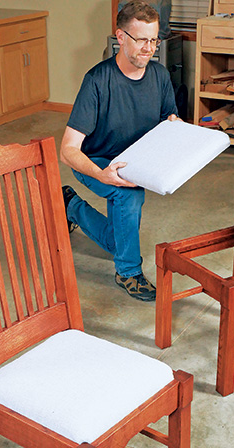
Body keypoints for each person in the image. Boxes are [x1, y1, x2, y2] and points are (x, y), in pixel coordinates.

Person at [60, 0, 179, 302]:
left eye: (153, 40)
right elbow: (68, 150)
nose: (148, 48)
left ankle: (71, 205)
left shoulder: (160, 76)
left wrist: (176, 127)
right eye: (140, 39)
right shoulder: (97, 81)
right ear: (121, 37)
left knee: (119, 238)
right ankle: (128, 272)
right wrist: (103, 174)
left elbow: (169, 122)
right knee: (129, 194)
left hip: (132, 161)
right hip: (95, 160)